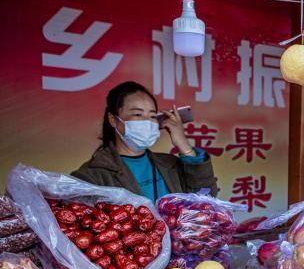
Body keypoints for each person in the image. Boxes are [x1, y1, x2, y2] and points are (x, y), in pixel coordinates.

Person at [72, 81, 218, 201]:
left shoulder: (171, 164)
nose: (147, 122)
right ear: (113, 120)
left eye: (153, 116)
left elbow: (206, 197)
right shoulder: (91, 176)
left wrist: (183, 145)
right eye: (137, 114)